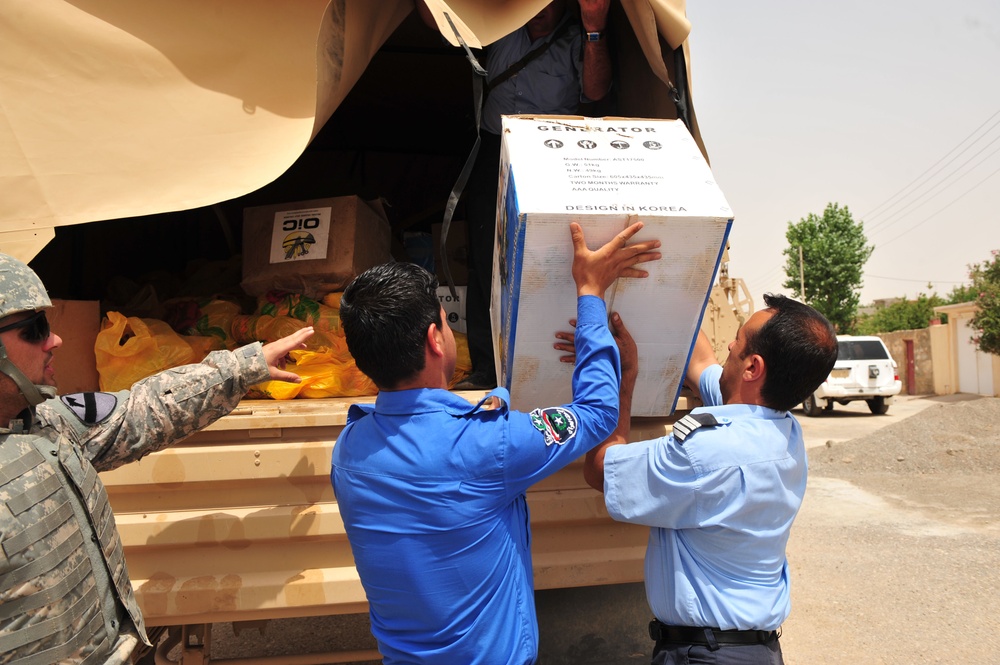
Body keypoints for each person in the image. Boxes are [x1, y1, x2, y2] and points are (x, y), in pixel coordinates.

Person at [331, 221, 660, 664]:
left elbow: (451, 448)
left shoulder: (350, 449)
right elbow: (599, 414)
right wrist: (590, 292)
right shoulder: (490, 446)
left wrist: (496, 401)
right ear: (435, 339)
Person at [0, 253, 314, 664]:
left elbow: (142, 410)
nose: (54, 340)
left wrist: (243, 366)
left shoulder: (47, 425)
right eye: (34, 329)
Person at [574, 294, 838, 665]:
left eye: (738, 339)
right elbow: (701, 362)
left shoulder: (706, 453)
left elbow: (600, 467)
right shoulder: (784, 431)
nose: (729, 344)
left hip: (708, 655)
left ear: (753, 368)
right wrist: (679, 282)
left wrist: (625, 376)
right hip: (756, 651)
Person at [417, 0, 613, 390]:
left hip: (552, 153)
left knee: (549, 259)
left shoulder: (579, 39)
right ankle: (486, 370)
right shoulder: (499, 26)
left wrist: (595, 28)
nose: (539, 8)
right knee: (484, 257)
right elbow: (442, 23)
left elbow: (595, 91)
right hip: (495, 149)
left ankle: (544, 366)